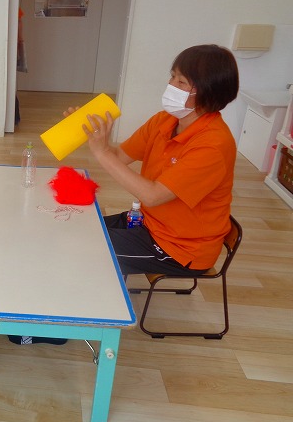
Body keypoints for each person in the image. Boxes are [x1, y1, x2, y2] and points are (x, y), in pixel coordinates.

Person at [77, 44, 239, 276]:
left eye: (181, 82)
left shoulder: (213, 145)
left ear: (208, 91)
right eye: (172, 77)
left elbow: (153, 196)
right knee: (78, 229)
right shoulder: (164, 121)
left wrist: (102, 152)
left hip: (180, 248)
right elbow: (119, 157)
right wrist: (94, 135)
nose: (171, 85)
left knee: (82, 247)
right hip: (149, 223)